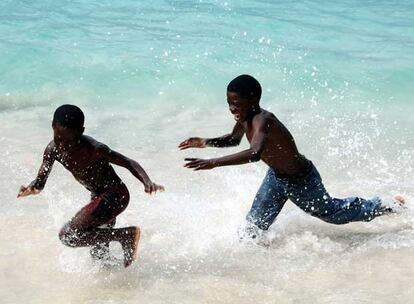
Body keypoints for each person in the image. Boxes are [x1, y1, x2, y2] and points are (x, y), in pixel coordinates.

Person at [179, 74, 404, 239]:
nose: (232, 108)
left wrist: (213, 163)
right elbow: (233, 140)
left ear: (253, 99)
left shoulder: (263, 120)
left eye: (236, 103)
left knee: (333, 214)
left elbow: (255, 153)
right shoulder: (244, 118)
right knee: (251, 231)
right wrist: (204, 142)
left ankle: (385, 205)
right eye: (229, 103)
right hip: (276, 178)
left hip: (301, 180)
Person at [18, 105, 164, 267]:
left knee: (69, 236)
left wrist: (147, 181)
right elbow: (40, 183)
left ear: (81, 131)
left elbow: (129, 163)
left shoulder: (95, 149)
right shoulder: (53, 150)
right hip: (98, 197)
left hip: (115, 195)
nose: (64, 145)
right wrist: (31, 189)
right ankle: (120, 283)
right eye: (59, 138)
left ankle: (126, 235)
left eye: (69, 140)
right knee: (100, 257)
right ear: (53, 126)